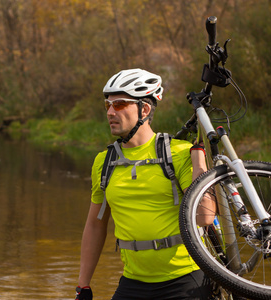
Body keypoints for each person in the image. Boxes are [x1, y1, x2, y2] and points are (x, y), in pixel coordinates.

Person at [75, 68, 217, 300]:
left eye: (119, 104)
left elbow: (204, 217)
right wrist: (83, 285)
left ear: (145, 109)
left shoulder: (177, 153)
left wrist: (199, 160)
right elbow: (95, 225)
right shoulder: (104, 162)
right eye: (107, 105)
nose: (110, 112)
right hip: (133, 282)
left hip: (186, 279)